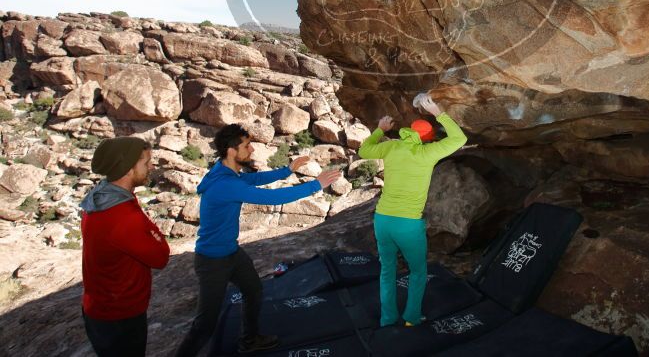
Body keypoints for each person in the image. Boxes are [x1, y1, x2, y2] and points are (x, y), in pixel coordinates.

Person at [175, 123, 341, 356]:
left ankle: (250, 339)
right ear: (232, 151)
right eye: (246, 145)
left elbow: (253, 181)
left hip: (231, 253)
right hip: (213, 261)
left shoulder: (224, 171)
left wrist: (287, 170)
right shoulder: (226, 184)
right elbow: (272, 198)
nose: (252, 150)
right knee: (205, 324)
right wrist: (316, 185)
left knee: (253, 290)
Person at [358, 95, 467, 327]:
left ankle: (387, 319)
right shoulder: (427, 153)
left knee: (387, 270)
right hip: (407, 224)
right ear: (427, 139)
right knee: (417, 272)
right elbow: (460, 138)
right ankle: (411, 318)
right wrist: (438, 113)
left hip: (382, 219)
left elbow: (364, 151)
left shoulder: (391, 146)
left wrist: (379, 130)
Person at [80, 136, 170, 357]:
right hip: (119, 314)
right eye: (146, 161)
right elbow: (161, 256)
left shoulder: (101, 197)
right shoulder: (122, 215)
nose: (151, 166)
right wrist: (155, 233)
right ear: (128, 168)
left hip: (101, 307)